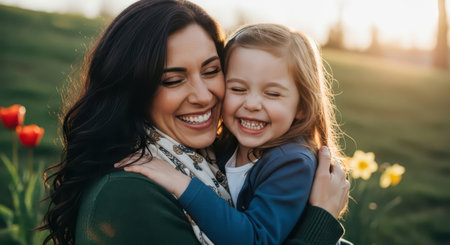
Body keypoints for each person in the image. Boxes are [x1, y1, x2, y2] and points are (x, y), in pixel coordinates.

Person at [38, 1, 349, 244]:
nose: (203, 96)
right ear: (133, 91)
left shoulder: (217, 156)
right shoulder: (130, 191)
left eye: (212, 71)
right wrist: (319, 222)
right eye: (173, 80)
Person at [120, 23, 346, 245]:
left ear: (302, 107)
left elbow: (255, 239)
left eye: (273, 94)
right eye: (238, 89)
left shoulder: (292, 163)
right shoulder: (224, 149)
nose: (252, 104)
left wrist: (180, 183)